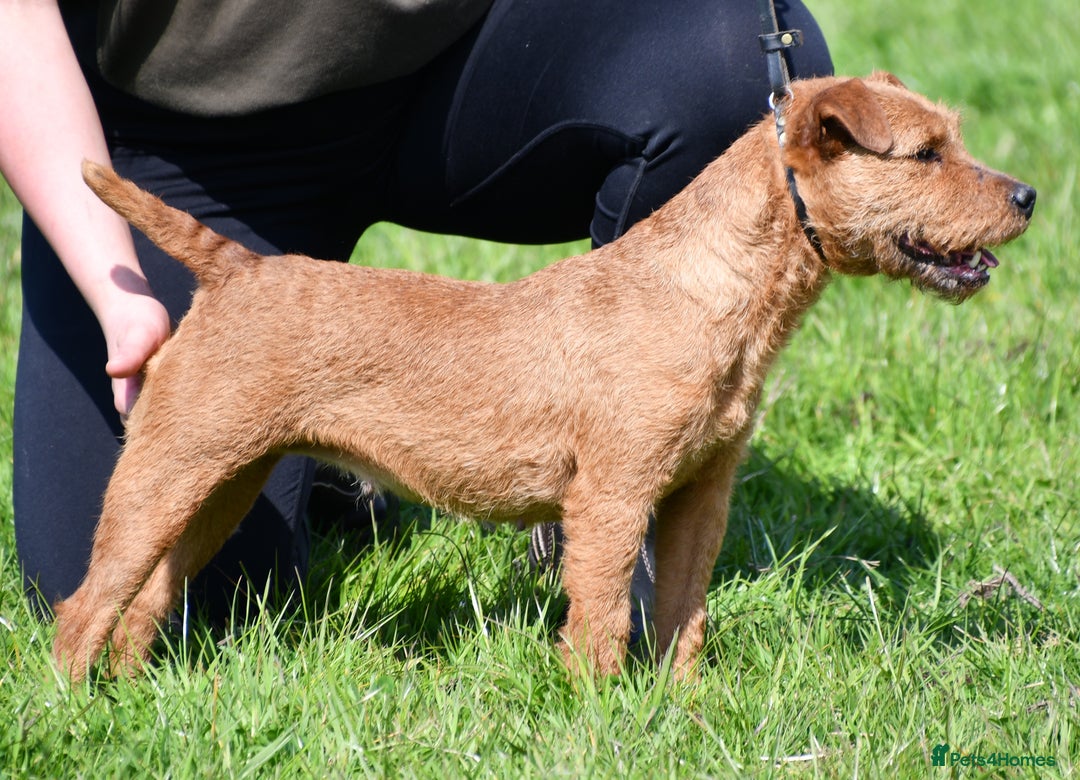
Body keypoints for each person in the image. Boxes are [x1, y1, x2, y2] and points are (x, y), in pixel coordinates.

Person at [0, 0, 832, 624]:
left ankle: (599, 458)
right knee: (152, 594)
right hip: (198, 132)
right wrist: (117, 292)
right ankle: (349, 432)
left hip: (470, 63)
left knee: (733, 59)